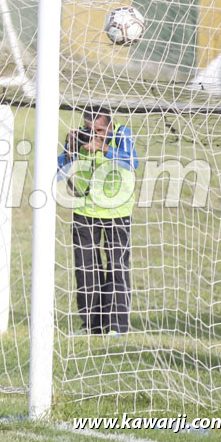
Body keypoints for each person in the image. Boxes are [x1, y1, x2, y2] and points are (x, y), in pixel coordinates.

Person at [58, 107, 138, 335]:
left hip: (117, 211)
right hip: (85, 210)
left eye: (99, 130)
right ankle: (91, 326)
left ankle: (116, 327)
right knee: (85, 269)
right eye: (88, 129)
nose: (93, 134)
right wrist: (70, 149)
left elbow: (133, 162)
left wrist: (103, 148)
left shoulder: (121, 136)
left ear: (110, 126)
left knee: (117, 268)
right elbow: (58, 171)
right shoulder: (80, 138)